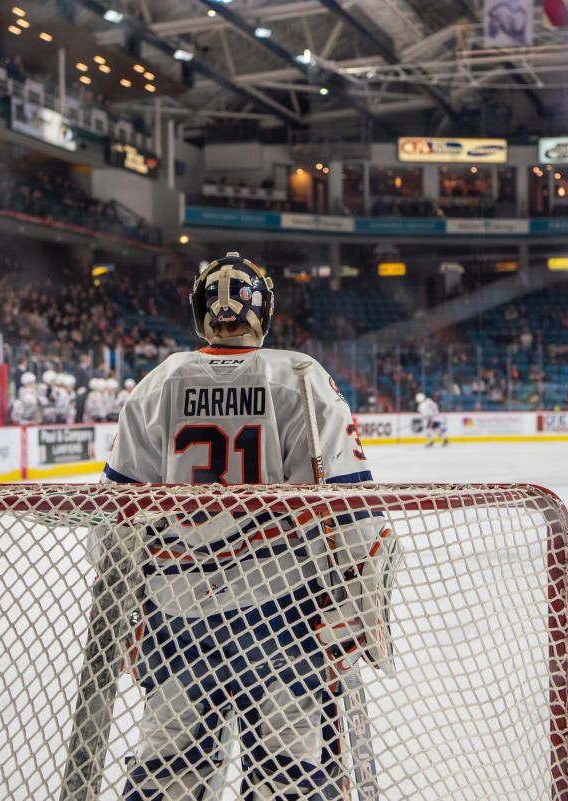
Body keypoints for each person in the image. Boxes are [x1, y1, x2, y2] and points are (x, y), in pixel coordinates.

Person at [103, 252, 395, 801]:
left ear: (199, 309)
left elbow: (117, 518)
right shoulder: (301, 376)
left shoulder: (156, 382)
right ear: (263, 313)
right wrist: (362, 606)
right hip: (280, 604)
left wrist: (124, 610)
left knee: (169, 758)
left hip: (175, 606)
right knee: (288, 763)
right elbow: (354, 507)